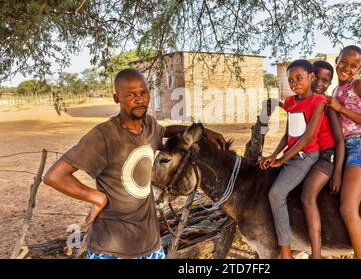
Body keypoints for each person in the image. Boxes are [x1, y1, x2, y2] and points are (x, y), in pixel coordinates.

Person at [43, 68, 225, 259]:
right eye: (130, 95)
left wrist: (203, 132)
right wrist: (97, 198)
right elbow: (55, 176)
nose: (140, 99)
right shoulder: (103, 136)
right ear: (116, 98)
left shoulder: (149, 125)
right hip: (112, 248)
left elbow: (167, 130)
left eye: (143, 92)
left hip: (150, 243)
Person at [258, 59, 326, 259]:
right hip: (292, 154)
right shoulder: (290, 102)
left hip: (306, 156)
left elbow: (306, 137)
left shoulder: (318, 102)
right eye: (290, 80)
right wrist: (274, 155)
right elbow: (289, 135)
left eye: (299, 78)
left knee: (276, 194)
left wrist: (283, 159)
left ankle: (286, 252)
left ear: (311, 77)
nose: (294, 83)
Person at [326, 45, 361, 259]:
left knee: (348, 209)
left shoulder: (359, 85)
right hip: (340, 149)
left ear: (358, 69)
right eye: (344, 62)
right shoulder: (335, 91)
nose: (347, 68)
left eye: (354, 65)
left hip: (360, 147)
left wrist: (340, 109)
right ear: (337, 59)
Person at [300, 60, 345, 259]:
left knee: (307, 195)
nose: (320, 83)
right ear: (310, 76)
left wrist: (337, 172)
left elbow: (340, 141)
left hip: (329, 155)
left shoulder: (328, 105)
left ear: (330, 84)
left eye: (325, 80)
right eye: (317, 77)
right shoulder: (306, 101)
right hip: (313, 154)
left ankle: (316, 255)